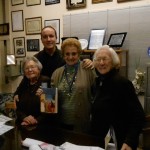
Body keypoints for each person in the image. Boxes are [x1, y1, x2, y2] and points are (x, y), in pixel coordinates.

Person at [91, 45, 145, 150]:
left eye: (105, 59)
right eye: (98, 59)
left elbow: (138, 115)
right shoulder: (97, 83)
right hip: (102, 141)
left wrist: (129, 141)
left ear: (113, 62)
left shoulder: (122, 83)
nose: (101, 63)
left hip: (121, 143)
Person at [51, 38, 95, 133]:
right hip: (61, 123)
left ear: (79, 54)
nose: (70, 57)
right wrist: (43, 95)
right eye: (67, 54)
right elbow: (51, 101)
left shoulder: (88, 69)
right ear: (63, 55)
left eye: (74, 54)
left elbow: (96, 95)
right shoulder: (56, 73)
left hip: (82, 123)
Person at [14, 56, 44, 126]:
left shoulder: (46, 82)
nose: (30, 70)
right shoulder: (24, 83)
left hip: (41, 126)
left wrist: (36, 120)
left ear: (39, 69)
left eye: (32, 67)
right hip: (24, 124)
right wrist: (24, 118)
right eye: (26, 68)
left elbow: (50, 108)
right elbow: (18, 107)